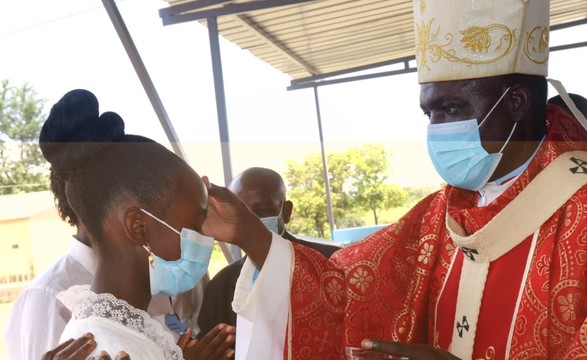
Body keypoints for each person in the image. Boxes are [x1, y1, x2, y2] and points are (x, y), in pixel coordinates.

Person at [201, 1, 587, 359]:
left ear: (516, 102)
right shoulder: (437, 217)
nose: (436, 129)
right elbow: (342, 289)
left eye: (451, 108)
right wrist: (250, 234)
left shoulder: (579, 209)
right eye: (429, 114)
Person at [38, 89, 235, 359]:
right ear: (140, 228)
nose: (205, 238)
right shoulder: (103, 348)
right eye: (194, 226)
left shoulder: (124, 332)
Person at [196, 167, 340, 339]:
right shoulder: (221, 286)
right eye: (240, 211)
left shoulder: (332, 262)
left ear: (286, 212)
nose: (249, 221)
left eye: (262, 210)